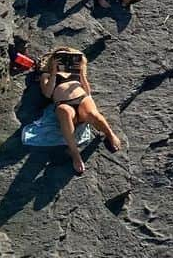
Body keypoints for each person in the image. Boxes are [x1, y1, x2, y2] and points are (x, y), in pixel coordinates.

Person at [39, 46, 121, 175]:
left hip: (82, 99)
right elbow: (47, 94)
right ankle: (75, 154)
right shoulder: (47, 75)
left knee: (93, 114)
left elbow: (88, 92)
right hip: (63, 103)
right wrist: (54, 72)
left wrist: (82, 73)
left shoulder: (76, 73)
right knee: (64, 111)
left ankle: (110, 134)